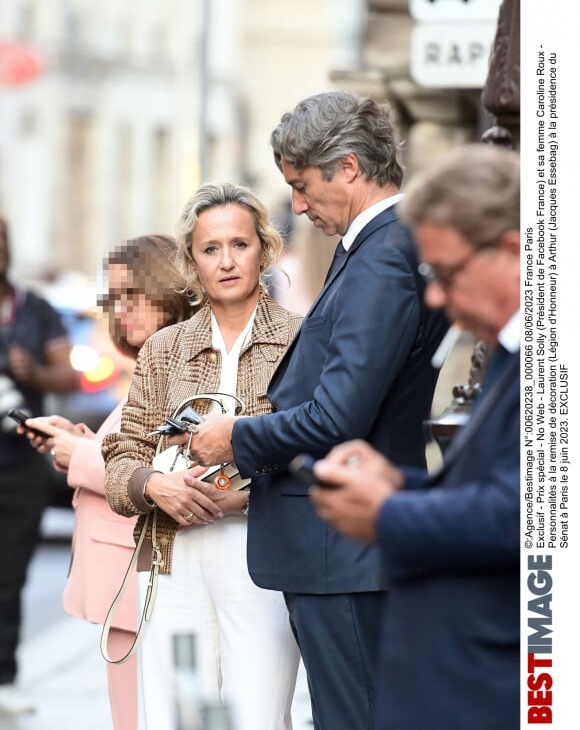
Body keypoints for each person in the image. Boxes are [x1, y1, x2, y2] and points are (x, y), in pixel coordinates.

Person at [183, 91, 450, 730]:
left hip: (343, 551)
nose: (297, 205)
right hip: (344, 547)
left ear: (349, 168)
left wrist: (236, 438)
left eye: (303, 186)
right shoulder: (379, 247)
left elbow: (338, 416)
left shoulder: (382, 255)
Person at [310, 143, 520, 730]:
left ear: (513, 252)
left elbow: (528, 517)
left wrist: (389, 512)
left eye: (445, 274)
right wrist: (394, 483)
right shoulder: (510, 351)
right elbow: (494, 485)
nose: (433, 297)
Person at [102, 183, 302, 730]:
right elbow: (120, 457)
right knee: (174, 718)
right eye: (210, 249)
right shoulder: (164, 349)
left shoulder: (300, 341)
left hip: (261, 557)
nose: (227, 260)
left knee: (258, 717)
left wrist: (237, 493)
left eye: (239, 244)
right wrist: (152, 485)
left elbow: (313, 451)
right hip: (170, 559)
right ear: (191, 261)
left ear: (264, 248)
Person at [18, 235, 194, 729]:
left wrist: (80, 454)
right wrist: (76, 442)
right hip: (127, 582)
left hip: (141, 578)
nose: (122, 310)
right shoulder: (153, 366)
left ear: (169, 290)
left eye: (134, 294)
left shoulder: (180, 366)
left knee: (138, 718)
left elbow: (166, 474)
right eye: (113, 298)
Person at [0, 216, 80, 715]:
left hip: (19, 466)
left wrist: (38, 371)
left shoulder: (36, 310)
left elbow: (68, 373)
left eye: (3, 241)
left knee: (8, 576)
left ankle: (4, 678)